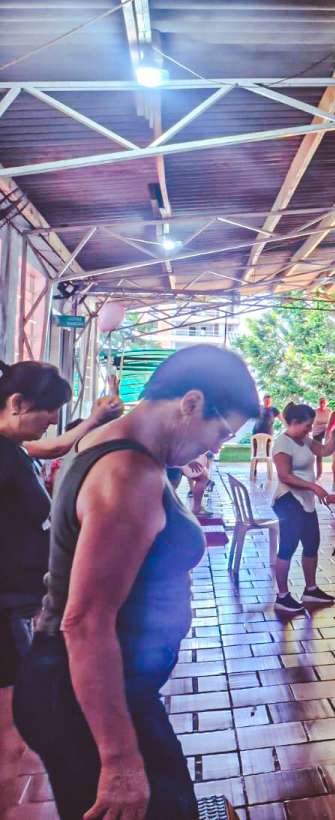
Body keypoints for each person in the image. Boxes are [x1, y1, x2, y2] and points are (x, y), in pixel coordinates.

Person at [14, 345, 258, 819]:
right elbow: (85, 621)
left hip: (87, 684)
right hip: (83, 692)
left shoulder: (113, 444)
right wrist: (120, 761)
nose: (216, 447)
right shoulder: (130, 473)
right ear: (190, 403)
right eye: (220, 431)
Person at [0, 362, 122, 781]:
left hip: (21, 596)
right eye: (48, 410)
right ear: (17, 404)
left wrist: (95, 421)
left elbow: (52, 448)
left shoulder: (13, 447)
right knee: (15, 705)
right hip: (7, 602)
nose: (53, 420)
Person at [271, 403, 335, 615]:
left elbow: (324, 450)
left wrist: (334, 436)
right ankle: (282, 596)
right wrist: (314, 486)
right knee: (288, 546)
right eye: (306, 425)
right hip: (288, 500)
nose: (309, 429)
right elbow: (285, 476)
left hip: (305, 500)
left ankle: (310, 590)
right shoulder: (282, 443)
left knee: (312, 544)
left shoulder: (303, 440)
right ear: (293, 423)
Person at [180, 451, 216, 518]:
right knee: (202, 479)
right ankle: (197, 509)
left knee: (202, 478)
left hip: (180, 458)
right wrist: (189, 460)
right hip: (176, 460)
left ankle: (197, 508)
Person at [311, 397, 332, 479]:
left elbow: (332, 422)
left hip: (326, 432)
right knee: (318, 453)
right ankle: (318, 474)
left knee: (334, 446)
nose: (322, 404)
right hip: (317, 433)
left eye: (324, 402)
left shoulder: (329, 411)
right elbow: (310, 422)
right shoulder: (315, 411)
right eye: (321, 402)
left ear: (326, 403)